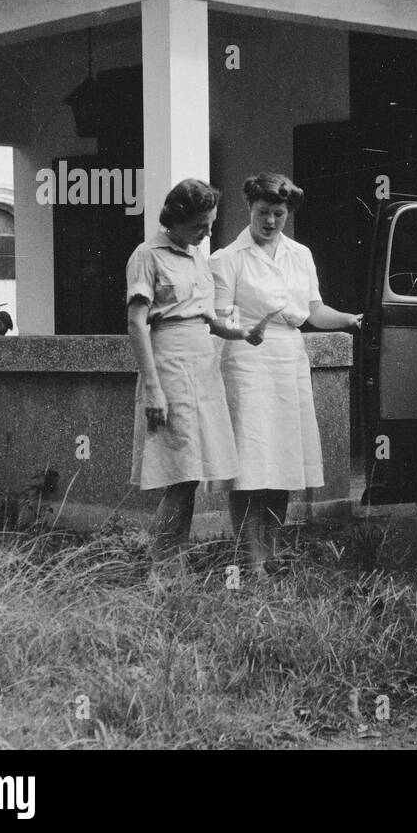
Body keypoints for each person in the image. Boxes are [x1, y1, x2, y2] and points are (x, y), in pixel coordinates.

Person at [210, 172, 362, 573]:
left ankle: (272, 554)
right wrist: (244, 332)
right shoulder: (227, 259)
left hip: (288, 359)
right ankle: (248, 561)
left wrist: (349, 318)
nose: (271, 221)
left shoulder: (301, 254)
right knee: (250, 465)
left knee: (280, 461)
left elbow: (313, 310)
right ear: (249, 208)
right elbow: (218, 319)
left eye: (279, 213)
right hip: (245, 360)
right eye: (263, 212)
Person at [126, 178, 264, 578]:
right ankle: (163, 571)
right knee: (180, 474)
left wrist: (242, 332)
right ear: (176, 219)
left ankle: (175, 566)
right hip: (169, 366)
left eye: (211, 225)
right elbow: (137, 324)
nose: (207, 234)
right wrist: (152, 386)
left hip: (203, 368)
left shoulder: (197, 257)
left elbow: (207, 318)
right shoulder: (146, 255)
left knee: (194, 473)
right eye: (200, 226)